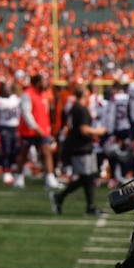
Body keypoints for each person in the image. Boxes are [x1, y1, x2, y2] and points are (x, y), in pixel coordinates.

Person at [51, 83, 106, 216]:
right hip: (80, 146)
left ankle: (89, 206)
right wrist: (99, 131)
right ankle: (62, 198)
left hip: (82, 145)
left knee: (88, 177)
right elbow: (83, 129)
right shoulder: (80, 109)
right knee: (87, 177)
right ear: (85, 94)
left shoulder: (77, 107)